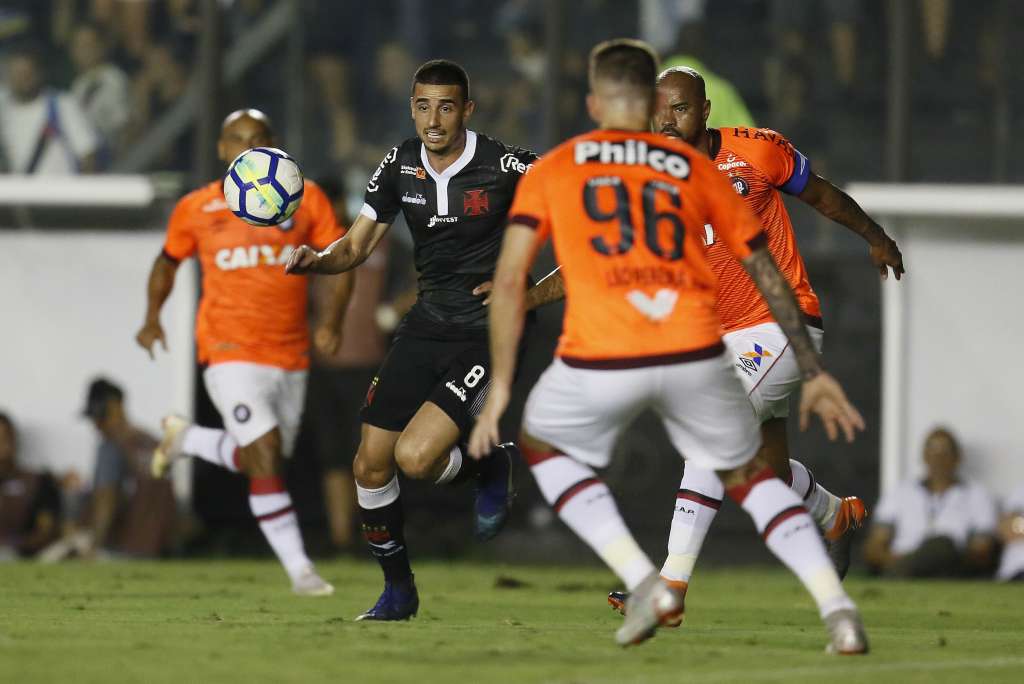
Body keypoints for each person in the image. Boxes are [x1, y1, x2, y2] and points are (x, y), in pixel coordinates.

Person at [469, 38, 868, 652]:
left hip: (757, 331)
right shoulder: (678, 173)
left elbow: (792, 231)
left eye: (680, 109)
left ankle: (667, 588)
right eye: (660, 109)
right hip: (703, 342)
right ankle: (831, 520)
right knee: (751, 467)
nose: (667, 120)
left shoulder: (611, 165)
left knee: (698, 452)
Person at [285, 59, 539, 621]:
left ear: (467, 111)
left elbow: (574, 217)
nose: (433, 119)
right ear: (412, 108)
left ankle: (490, 466)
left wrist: (526, 289)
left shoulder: (506, 164)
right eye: (423, 106)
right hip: (426, 325)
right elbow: (353, 248)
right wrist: (317, 261)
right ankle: (398, 592)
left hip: (487, 333)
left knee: (416, 457)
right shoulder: (400, 163)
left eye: (446, 106)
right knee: (369, 466)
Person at [136, 109, 353, 595]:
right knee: (266, 453)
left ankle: (186, 441)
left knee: (263, 458)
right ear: (221, 149)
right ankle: (302, 572)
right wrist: (152, 317)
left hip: (291, 356)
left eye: (256, 139)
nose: (245, 147)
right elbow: (167, 262)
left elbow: (343, 257)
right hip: (228, 350)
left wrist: (333, 320)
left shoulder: (306, 197)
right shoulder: (198, 208)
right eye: (236, 139)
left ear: (273, 145)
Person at [304, 177, 391, 551]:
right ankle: (342, 540)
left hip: (368, 362)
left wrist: (392, 311)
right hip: (324, 365)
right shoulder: (304, 245)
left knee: (372, 455)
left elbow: (420, 276)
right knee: (333, 455)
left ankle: (375, 534)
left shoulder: (377, 242)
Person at [863, 428, 998, 577]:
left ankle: (904, 570)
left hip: (951, 567)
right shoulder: (900, 492)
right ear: (924, 456)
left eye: (945, 452)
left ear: (957, 457)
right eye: (932, 451)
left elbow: (982, 549)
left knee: (942, 545)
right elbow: (876, 544)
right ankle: (906, 569)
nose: (938, 459)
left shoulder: (976, 495)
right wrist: (892, 559)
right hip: (899, 560)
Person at [79, 378, 176, 558]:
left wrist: (92, 548)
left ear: (115, 407)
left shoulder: (111, 446)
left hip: (120, 551)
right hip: (158, 553)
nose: (96, 425)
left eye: (99, 416)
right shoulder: (154, 443)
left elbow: (106, 502)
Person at [0, 42, 97, 174]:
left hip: (61, 192)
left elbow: (87, 156)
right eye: (17, 74)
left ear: (40, 73)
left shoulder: (62, 105)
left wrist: (85, 192)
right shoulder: (4, 110)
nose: (21, 80)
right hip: (18, 193)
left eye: (27, 74)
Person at [0, 411, 61, 559]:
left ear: (14, 440)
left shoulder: (39, 481)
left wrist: (13, 546)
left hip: (22, 556)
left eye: (4, 438)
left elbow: (45, 531)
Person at [68, 23, 130, 159]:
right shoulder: (78, 84)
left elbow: (123, 127)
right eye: (79, 46)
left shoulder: (113, 79)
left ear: (102, 47)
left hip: (108, 157)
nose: (84, 51)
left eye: (89, 45)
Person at [997, 483, 1024, 581]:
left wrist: (1019, 522)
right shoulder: (1021, 490)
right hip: (1017, 570)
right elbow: (1007, 528)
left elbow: (1015, 525)